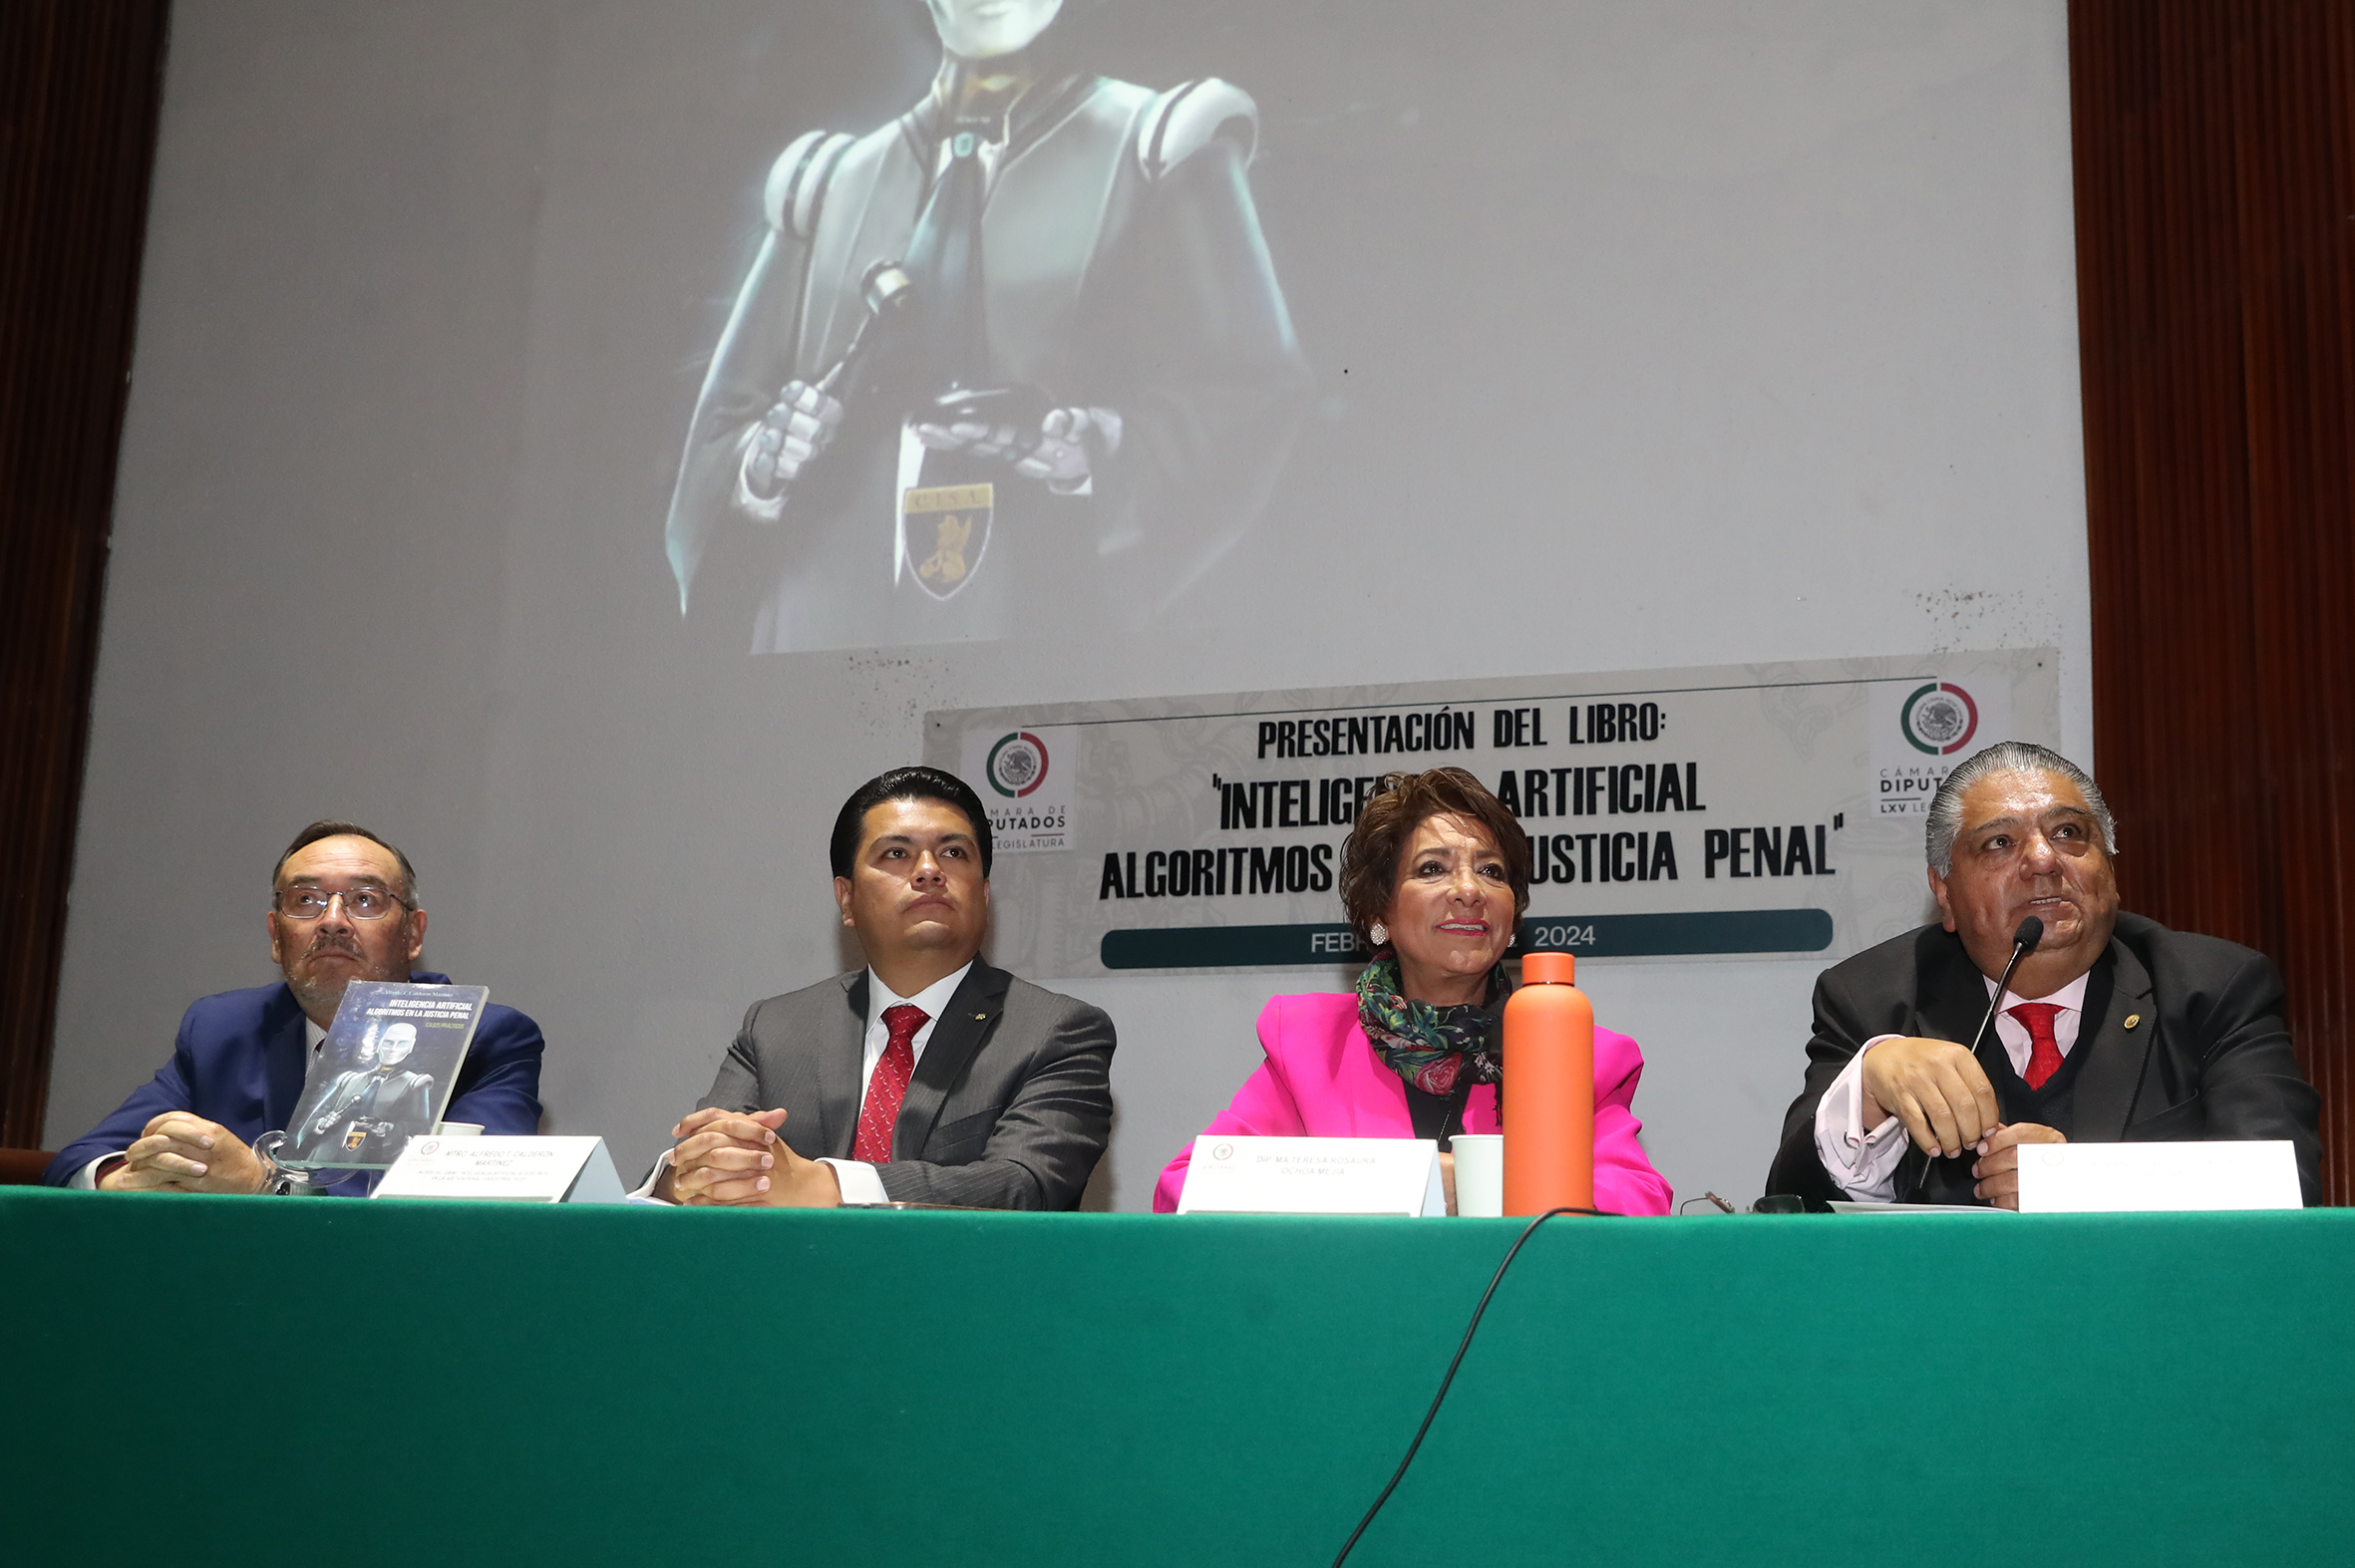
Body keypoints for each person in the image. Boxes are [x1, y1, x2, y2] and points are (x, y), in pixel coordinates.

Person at [662, 0, 1310, 653]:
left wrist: (1101, 450)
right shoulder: (828, 187)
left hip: (1038, 664)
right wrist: (763, 466)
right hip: (818, 663)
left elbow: (1253, 395)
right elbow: (719, 443)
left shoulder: (1160, 149)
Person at [1765, 742, 2322, 1208]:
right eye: (1999, 842)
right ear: (1944, 893)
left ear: (2109, 869)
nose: (2042, 860)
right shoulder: (1872, 997)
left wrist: (2076, 1183)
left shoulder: (2213, 987)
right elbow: (1793, 1208)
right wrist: (1867, 1089)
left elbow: (2285, 1188)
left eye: (2069, 832)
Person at [1154, 768, 1674, 1216]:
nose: (1469, 890)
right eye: (1433, 868)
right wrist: (1412, 1182)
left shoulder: (1575, 1050)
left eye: (1491, 871)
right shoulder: (1310, 1045)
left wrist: (1478, 1186)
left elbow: (1638, 1201)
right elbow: (1187, 1188)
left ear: (1512, 917)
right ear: (1380, 913)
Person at [652, 767, 1114, 1209]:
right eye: (896, 854)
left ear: (985, 894)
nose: (929, 870)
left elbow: (1022, 1187)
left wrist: (825, 1185)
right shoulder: (775, 1029)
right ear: (846, 899)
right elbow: (690, 1171)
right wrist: (699, 1172)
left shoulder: (1057, 1031)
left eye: (954, 853)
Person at [44, 820, 545, 1194]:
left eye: (365, 900)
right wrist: (124, 1179)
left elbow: (468, 1206)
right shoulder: (221, 1029)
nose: (332, 920)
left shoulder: (485, 1039)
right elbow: (78, 1161)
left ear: (412, 934)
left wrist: (264, 1184)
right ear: (275, 935)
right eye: (306, 900)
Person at [293, 1022, 439, 1165]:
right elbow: (314, 1118)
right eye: (388, 1043)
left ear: (410, 1047)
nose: (392, 1049)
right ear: (379, 1044)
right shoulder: (349, 1080)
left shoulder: (414, 1084)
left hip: (375, 1163)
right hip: (323, 1158)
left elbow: (419, 1127)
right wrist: (321, 1124)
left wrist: (386, 1128)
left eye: (402, 1044)